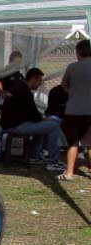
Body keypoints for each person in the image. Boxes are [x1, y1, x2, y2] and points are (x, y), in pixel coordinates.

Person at [0, 67, 63, 171]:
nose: (40, 84)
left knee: (43, 126)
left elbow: (30, 114)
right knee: (54, 126)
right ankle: (53, 162)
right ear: (33, 79)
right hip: (15, 126)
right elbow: (34, 115)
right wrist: (45, 119)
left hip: (10, 124)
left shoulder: (20, 87)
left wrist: (42, 119)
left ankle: (34, 156)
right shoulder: (25, 91)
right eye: (39, 81)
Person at [58, 39, 91, 181]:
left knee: (73, 143)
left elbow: (64, 85)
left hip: (73, 111)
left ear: (78, 52)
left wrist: (73, 91)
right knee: (90, 144)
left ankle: (69, 173)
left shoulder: (72, 67)